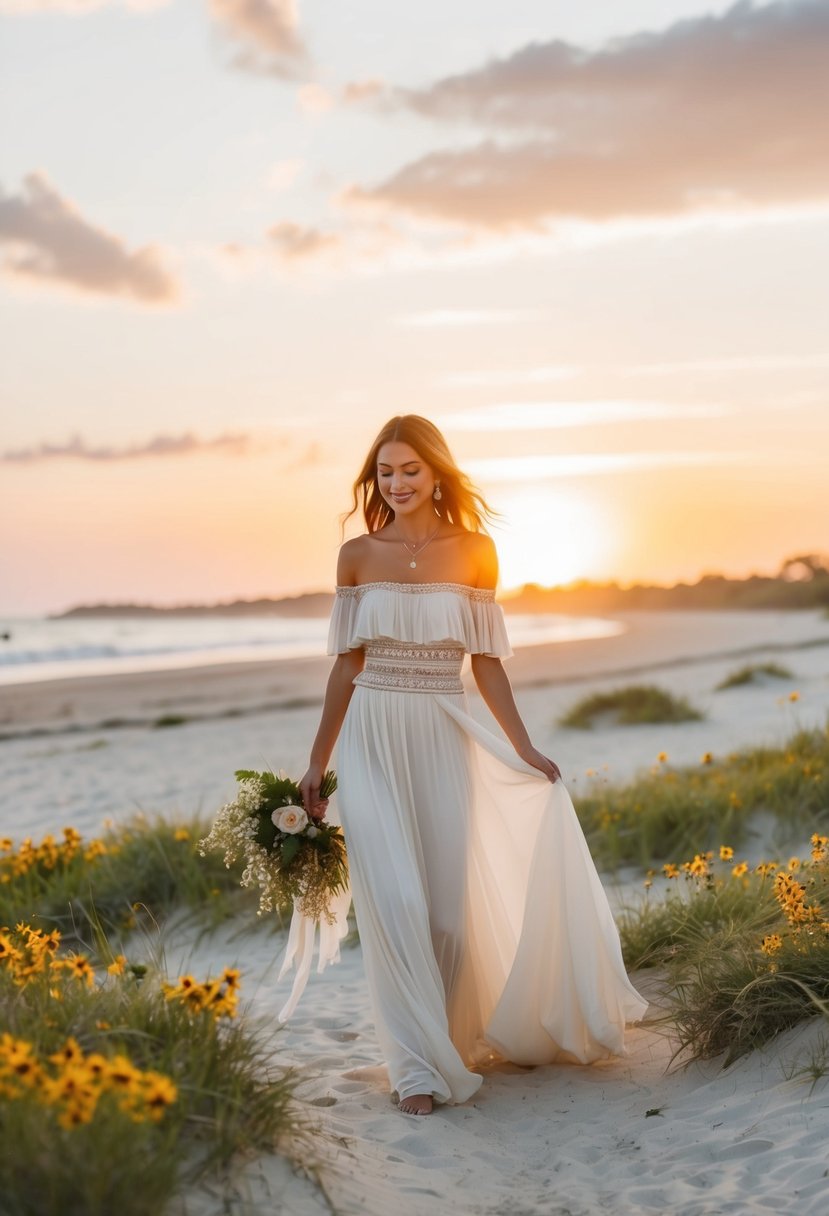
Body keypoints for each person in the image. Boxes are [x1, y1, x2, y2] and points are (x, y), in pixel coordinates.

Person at [295, 414, 646, 1117]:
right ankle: (416, 1069)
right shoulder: (357, 555)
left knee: (449, 917)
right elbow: (345, 666)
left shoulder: (476, 550)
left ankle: (449, 1042)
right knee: (395, 905)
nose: (395, 484)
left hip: (444, 729)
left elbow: (485, 663)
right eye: (384, 472)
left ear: (436, 474)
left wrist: (520, 746)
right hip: (372, 732)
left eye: (409, 471)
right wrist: (317, 762)